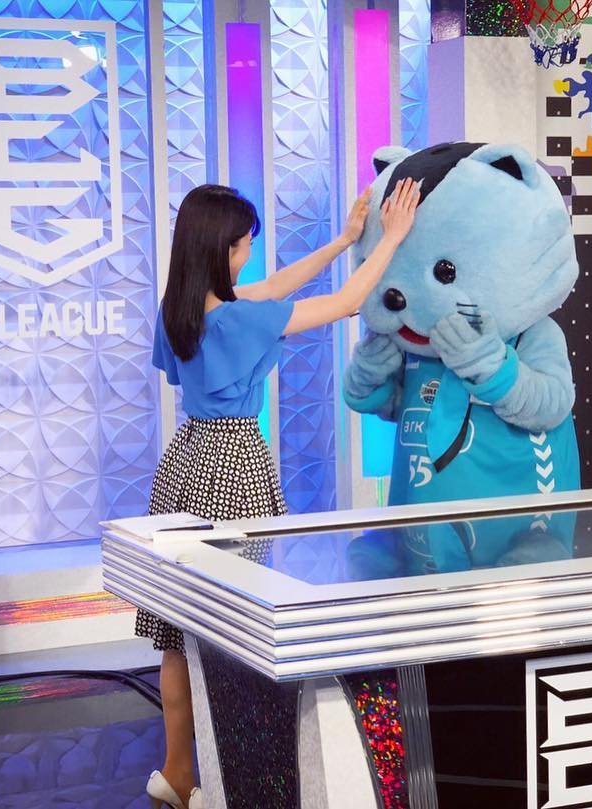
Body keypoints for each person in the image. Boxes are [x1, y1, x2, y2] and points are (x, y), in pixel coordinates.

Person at [141, 178, 421, 809]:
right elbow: (347, 302)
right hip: (233, 465)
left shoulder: (179, 309)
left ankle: (177, 773)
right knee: (238, 631)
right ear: (222, 249)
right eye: (244, 245)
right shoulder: (238, 319)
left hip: (184, 461)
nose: (248, 256)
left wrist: (344, 241)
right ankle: (241, 783)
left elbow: (273, 289)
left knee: (181, 635)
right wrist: (393, 238)